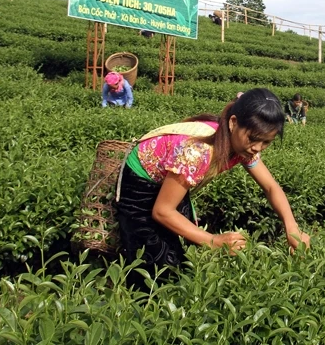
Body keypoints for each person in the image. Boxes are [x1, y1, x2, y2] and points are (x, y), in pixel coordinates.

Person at [114, 88, 310, 277]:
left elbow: (270, 186)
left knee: (178, 255)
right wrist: (213, 240)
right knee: (153, 266)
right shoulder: (198, 151)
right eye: (253, 139)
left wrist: (291, 226)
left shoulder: (242, 146)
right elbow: (163, 211)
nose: (257, 148)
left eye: (266, 142)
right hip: (141, 183)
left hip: (171, 179)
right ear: (234, 123)